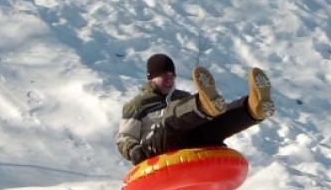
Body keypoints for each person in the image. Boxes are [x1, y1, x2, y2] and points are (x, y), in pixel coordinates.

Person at [116, 53, 275, 165]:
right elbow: (125, 137)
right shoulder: (138, 104)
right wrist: (133, 150)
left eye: (172, 75)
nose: (169, 79)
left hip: (187, 145)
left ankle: (253, 108)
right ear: (151, 77)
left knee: (213, 123)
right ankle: (202, 105)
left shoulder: (182, 96)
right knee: (170, 119)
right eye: (164, 75)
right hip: (154, 151)